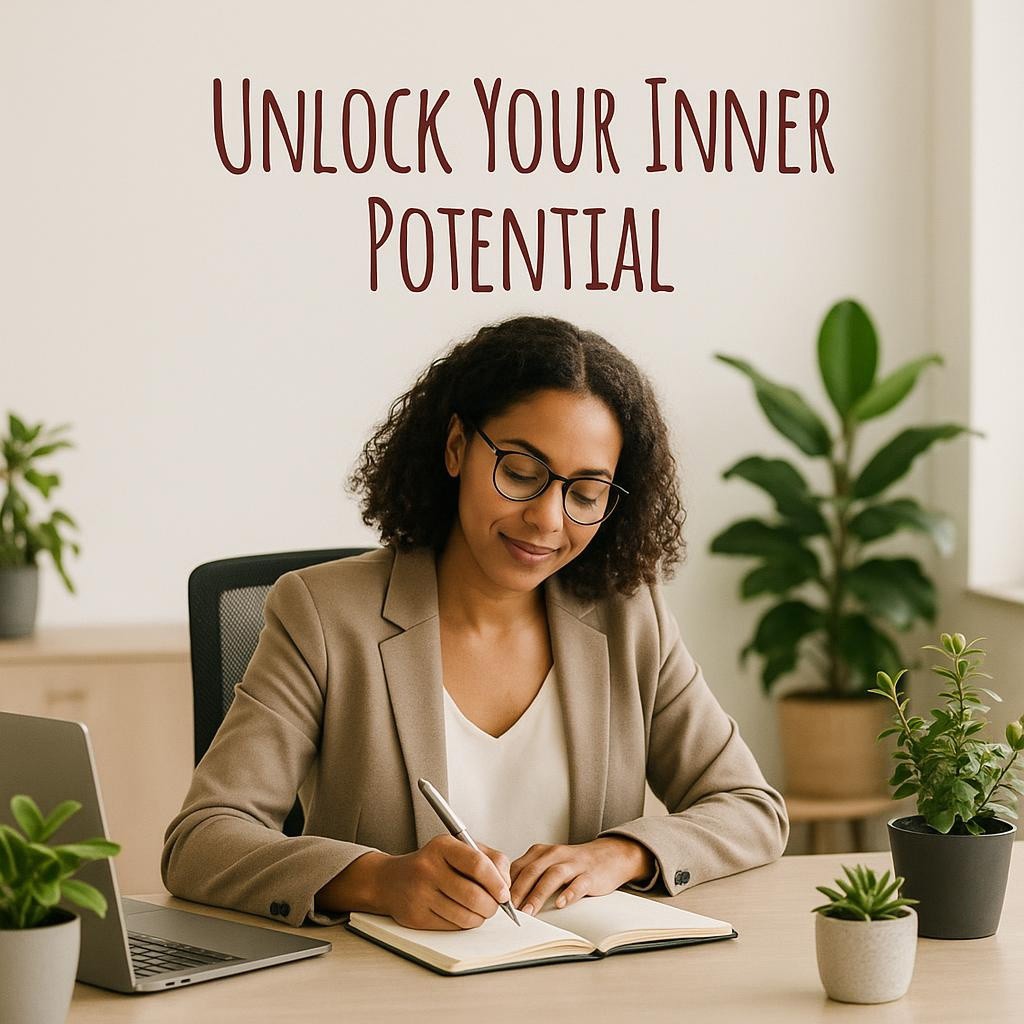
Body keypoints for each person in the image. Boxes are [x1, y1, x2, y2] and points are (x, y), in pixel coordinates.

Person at [161, 315, 789, 931]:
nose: (547, 518)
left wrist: (622, 854)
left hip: (589, 990)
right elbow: (202, 839)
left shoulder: (629, 617)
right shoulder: (323, 615)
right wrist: (380, 880)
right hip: (391, 994)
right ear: (457, 446)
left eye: (586, 493)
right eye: (520, 472)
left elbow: (751, 808)